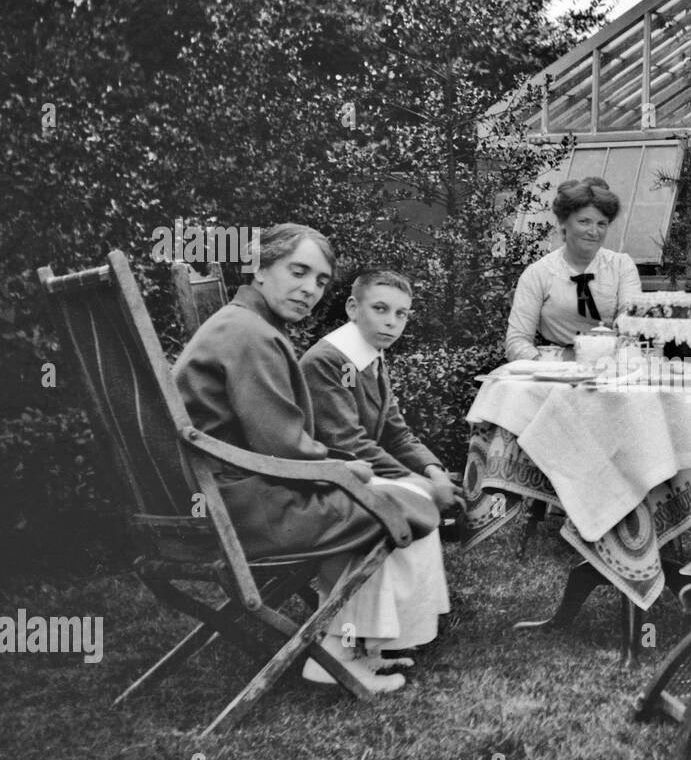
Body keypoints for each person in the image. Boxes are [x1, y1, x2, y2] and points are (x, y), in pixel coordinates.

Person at [174, 224, 443, 695]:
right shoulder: (250, 334)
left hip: (214, 498)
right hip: (239, 507)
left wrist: (346, 470)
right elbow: (283, 446)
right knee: (383, 503)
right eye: (298, 272)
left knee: (381, 492)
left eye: (319, 281)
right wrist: (345, 469)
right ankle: (334, 657)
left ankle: (362, 642)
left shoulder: (240, 323)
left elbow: (274, 439)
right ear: (258, 268)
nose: (309, 290)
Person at [300, 268, 465, 665]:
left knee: (423, 492)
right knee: (411, 500)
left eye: (402, 314)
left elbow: (395, 432)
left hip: (359, 471)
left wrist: (433, 472)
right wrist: (414, 481)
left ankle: (390, 637)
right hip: (330, 477)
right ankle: (351, 649)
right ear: (353, 308)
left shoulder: (371, 354)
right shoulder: (329, 359)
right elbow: (346, 442)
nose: (392, 322)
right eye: (380, 309)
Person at [504, 176, 641, 361]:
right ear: (563, 223)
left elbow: (631, 317)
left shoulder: (621, 266)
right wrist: (546, 366)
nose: (594, 232)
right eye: (584, 221)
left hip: (610, 364)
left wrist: (620, 332)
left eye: (602, 224)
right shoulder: (538, 273)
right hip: (553, 368)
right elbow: (516, 341)